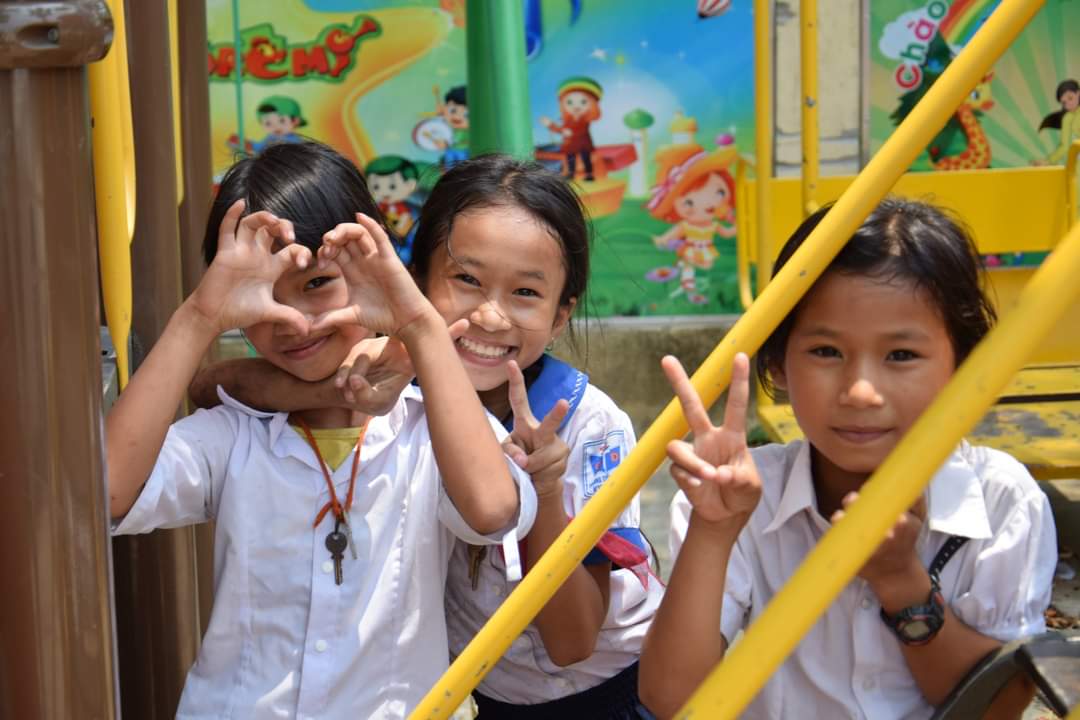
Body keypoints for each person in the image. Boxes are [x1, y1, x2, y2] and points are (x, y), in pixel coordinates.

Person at [190, 154, 662, 719]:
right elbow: (215, 384)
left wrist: (548, 490)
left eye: (526, 294)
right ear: (413, 282)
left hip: (602, 693)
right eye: (466, 280)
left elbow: (572, 644)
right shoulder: (391, 384)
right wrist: (343, 391)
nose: (490, 316)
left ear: (562, 316)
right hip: (480, 692)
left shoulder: (585, 423)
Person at [107, 140, 536, 719]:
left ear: (374, 269)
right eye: (259, 300)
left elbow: (491, 510)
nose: (293, 322)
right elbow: (105, 495)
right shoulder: (234, 434)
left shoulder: (428, 428)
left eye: (317, 285)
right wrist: (201, 317)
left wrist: (414, 322)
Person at [639, 199, 1056, 719]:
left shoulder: (1002, 500)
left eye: (901, 355)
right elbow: (670, 698)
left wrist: (902, 584)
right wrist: (713, 532)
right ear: (779, 362)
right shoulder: (742, 497)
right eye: (826, 352)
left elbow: (1001, 708)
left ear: (963, 367)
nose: (860, 392)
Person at [645, 144, 737, 305]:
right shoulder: (686, 226)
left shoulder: (713, 225)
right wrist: (662, 239)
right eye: (689, 202)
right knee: (689, 266)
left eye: (719, 192)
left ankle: (698, 287)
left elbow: (727, 233)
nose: (710, 203)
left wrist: (739, 224)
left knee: (705, 267)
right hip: (690, 250)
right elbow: (670, 235)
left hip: (706, 251)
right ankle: (689, 287)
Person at [540, 77, 603, 182]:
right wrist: (550, 125)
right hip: (571, 145)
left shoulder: (584, 120)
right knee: (571, 160)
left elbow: (569, 131)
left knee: (586, 159)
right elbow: (563, 131)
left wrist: (552, 125)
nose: (576, 106)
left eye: (583, 102)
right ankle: (571, 173)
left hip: (583, 144)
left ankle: (589, 174)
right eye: (569, 102)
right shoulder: (568, 120)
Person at [1035, 79, 1080, 165]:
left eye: (1070, 98)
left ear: (1078, 94)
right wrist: (1047, 161)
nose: (1068, 104)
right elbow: (1064, 146)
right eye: (1064, 102)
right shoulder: (1068, 118)